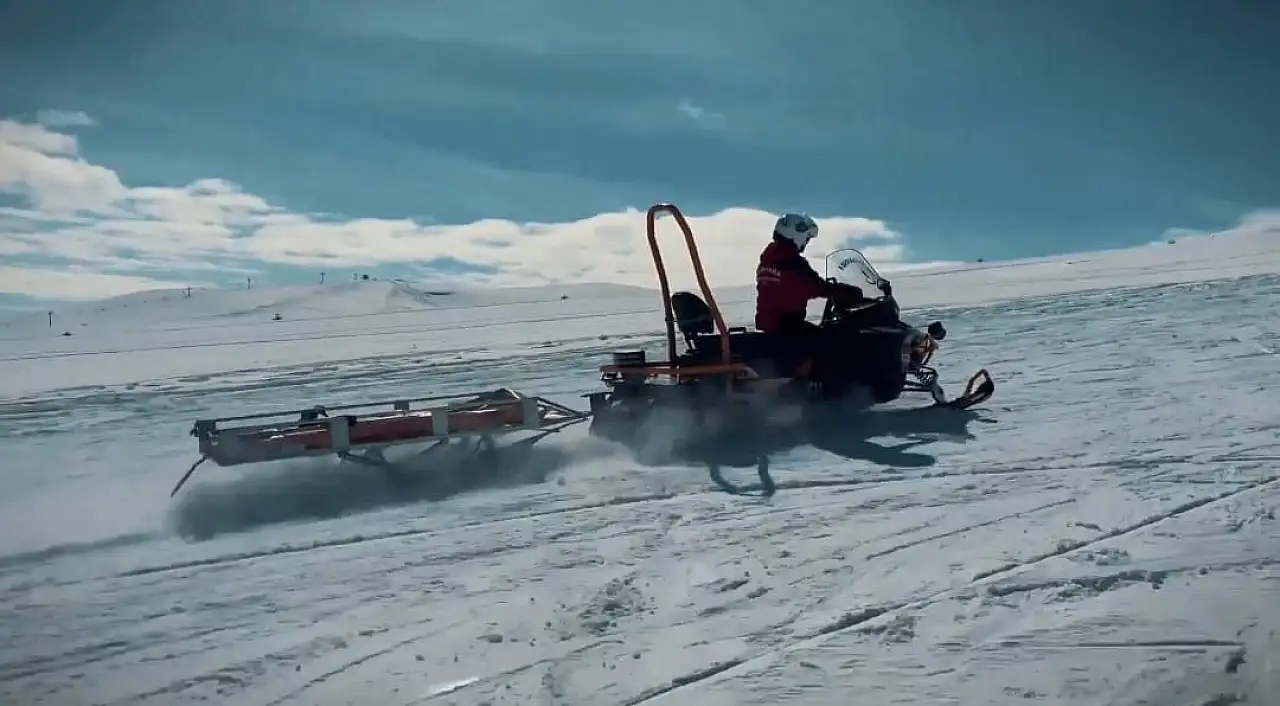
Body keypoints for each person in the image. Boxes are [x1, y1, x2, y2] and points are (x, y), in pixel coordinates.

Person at [754, 212, 864, 379]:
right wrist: (842, 291)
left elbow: (792, 289)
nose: (806, 242)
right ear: (795, 233)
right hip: (787, 325)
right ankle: (815, 389)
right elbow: (812, 286)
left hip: (773, 323)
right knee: (832, 343)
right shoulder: (790, 262)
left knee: (821, 337)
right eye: (806, 238)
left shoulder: (769, 260)